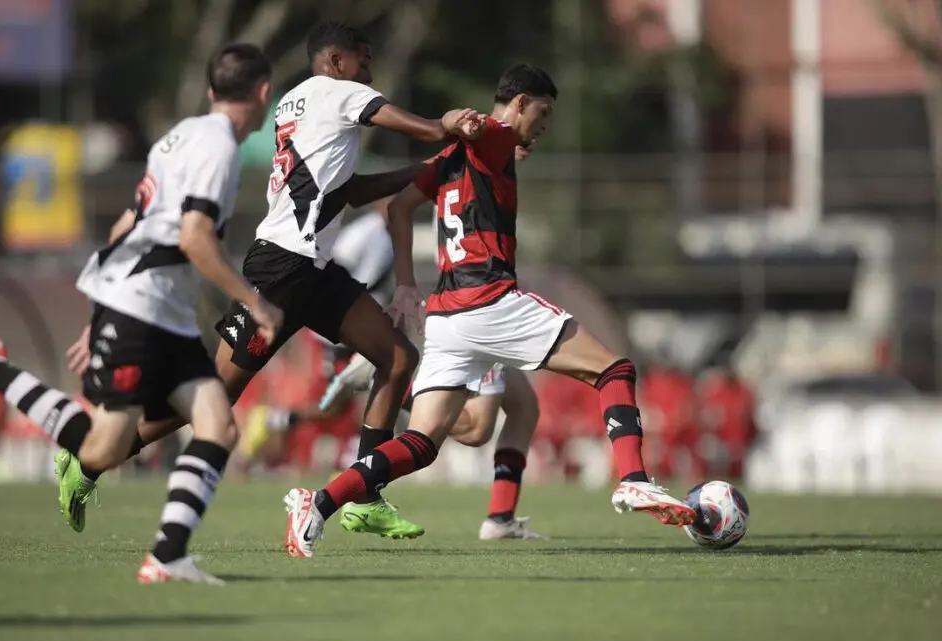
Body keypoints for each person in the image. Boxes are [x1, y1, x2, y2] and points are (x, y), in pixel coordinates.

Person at [60, 20, 484, 540]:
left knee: (397, 359)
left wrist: (428, 168)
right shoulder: (340, 93)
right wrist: (446, 127)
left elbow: (347, 192)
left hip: (313, 272)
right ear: (336, 63)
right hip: (281, 272)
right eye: (363, 59)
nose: (369, 71)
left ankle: (365, 495)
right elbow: (414, 125)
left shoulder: (301, 103)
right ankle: (89, 461)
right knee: (211, 399)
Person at [283, 64, 697, 558]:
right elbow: (489, 131)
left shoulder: (453, 153)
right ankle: (632, 478)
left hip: (446, 317)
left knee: (424, 442)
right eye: (540, 115)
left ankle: (318, 502)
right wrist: (476, 124)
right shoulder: (492, 134)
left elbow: (397, 208)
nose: (542, 129)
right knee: (615, 369)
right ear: (520, 103)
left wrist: (409, 287)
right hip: (491, 300)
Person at [0, 43, 280, 584]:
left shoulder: (177, 138)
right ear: (263, 93)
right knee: (102, 446)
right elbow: (195, 236)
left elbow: (126, 225)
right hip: (144, 304)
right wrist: (253, 302)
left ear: (210, 91)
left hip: (156, 307)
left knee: (215, 424)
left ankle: (167, 557)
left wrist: (100, 312)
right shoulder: (219, 149)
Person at [247, 197, 545, 540]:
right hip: (454, 312)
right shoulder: (370, 232)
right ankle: (324, 499)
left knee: (522, 405)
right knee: (472, 429)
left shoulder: (397, 227)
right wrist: (365, 327)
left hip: (428, 315)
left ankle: (500, 518)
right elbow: (328, 278)